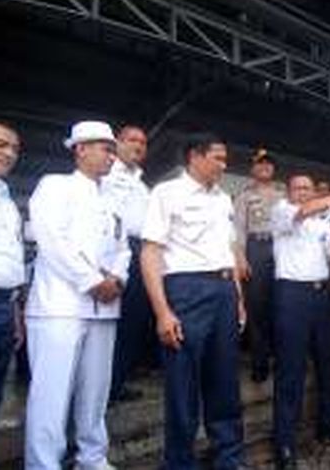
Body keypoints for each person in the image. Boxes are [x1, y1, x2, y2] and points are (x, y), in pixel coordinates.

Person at [24, 121, 130, 470]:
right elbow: (52, 240)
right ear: (80, 149)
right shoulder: (55, 186)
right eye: (105, 147)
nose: (111, 155)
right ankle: (43, 464)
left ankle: (92, 458)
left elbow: (123, 247)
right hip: (61, 306)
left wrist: (116, 278)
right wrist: (91, 280)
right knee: (51, 396)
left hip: (104, 308)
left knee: (95, 394)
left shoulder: (112, 198)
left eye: (113, 149)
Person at [140, 133, 249, 469]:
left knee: (225, 380)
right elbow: (150, 252)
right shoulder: (166, 193)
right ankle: (179, 462)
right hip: (185, 291)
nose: (223, 164)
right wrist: (162, 312)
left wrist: (239, 300)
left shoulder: (222, 199)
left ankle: (228, 458)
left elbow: (229, 252)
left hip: (224, 291)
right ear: (194, 157)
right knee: (182, 384)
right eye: (217, 157)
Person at [270, 173, 330, 470]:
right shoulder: (282, 211)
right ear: (289, 191)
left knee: (329, 363)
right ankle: (284, 443)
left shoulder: (322, 222)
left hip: (321, 294)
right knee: (291, 370)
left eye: (307, 188)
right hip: (292, 296)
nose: (302, 192)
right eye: (297, 187)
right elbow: (302, 211)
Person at [103, 125, 154, 403]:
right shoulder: (106, 173)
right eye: (133, 140)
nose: (139, 145)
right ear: (117, 143)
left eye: (143, 142)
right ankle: (101, 388)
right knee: (110, 320)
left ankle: (116, 382)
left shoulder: (143, 184)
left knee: (133, 321)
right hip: (111, 250)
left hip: (139, 252)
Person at [233, 148, 285, 383]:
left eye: (269, 164)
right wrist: (241, 258)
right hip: (257, 248)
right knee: (257, 308)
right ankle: (260, 364)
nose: (265, 167)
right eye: (260, 164)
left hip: (282, 250)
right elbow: (238, 231)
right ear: (252, 169)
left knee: (282, 306)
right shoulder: (244, 196)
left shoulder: (283, 193)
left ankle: (283, 360)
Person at [0, 122, 24, 442]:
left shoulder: (5, 197)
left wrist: (14, 314)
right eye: (0, 145)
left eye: (13, 148)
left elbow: (9, 260)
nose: (9, 154)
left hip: (2, 304)